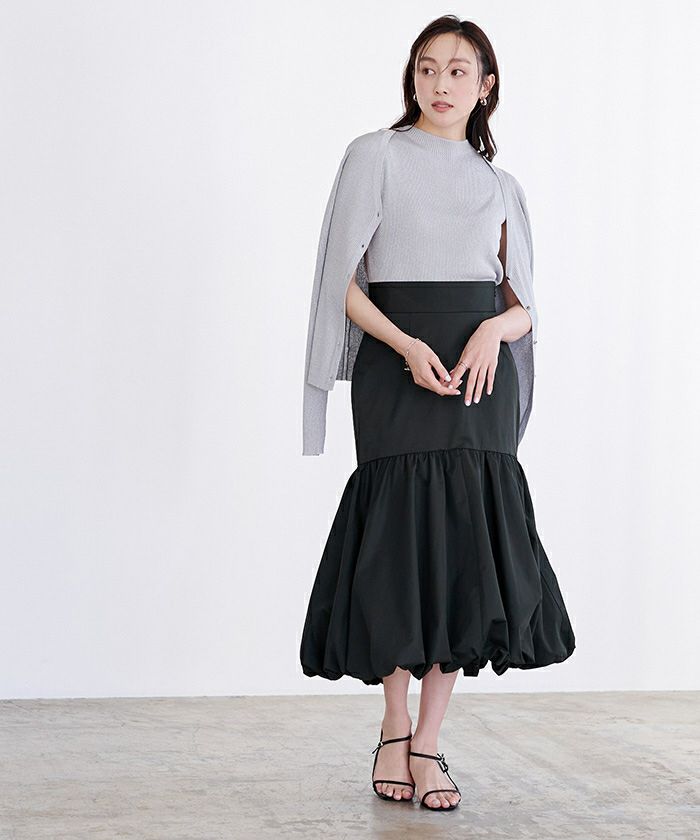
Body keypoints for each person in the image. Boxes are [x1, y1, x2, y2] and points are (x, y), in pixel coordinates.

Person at [299, 15, 576, 812]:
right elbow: (340, 282)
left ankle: (428, 743)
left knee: (462, 552)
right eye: (427, 68)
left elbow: (525, 308)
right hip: (399, 369)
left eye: (459, 71)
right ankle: (394, 725)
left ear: (486, 87)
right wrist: (403, 344)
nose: (441, 83)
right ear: (411, 78)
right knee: (396, 546)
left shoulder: (501, 185)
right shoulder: (375, 156)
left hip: (479, 379)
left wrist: (492, 327)